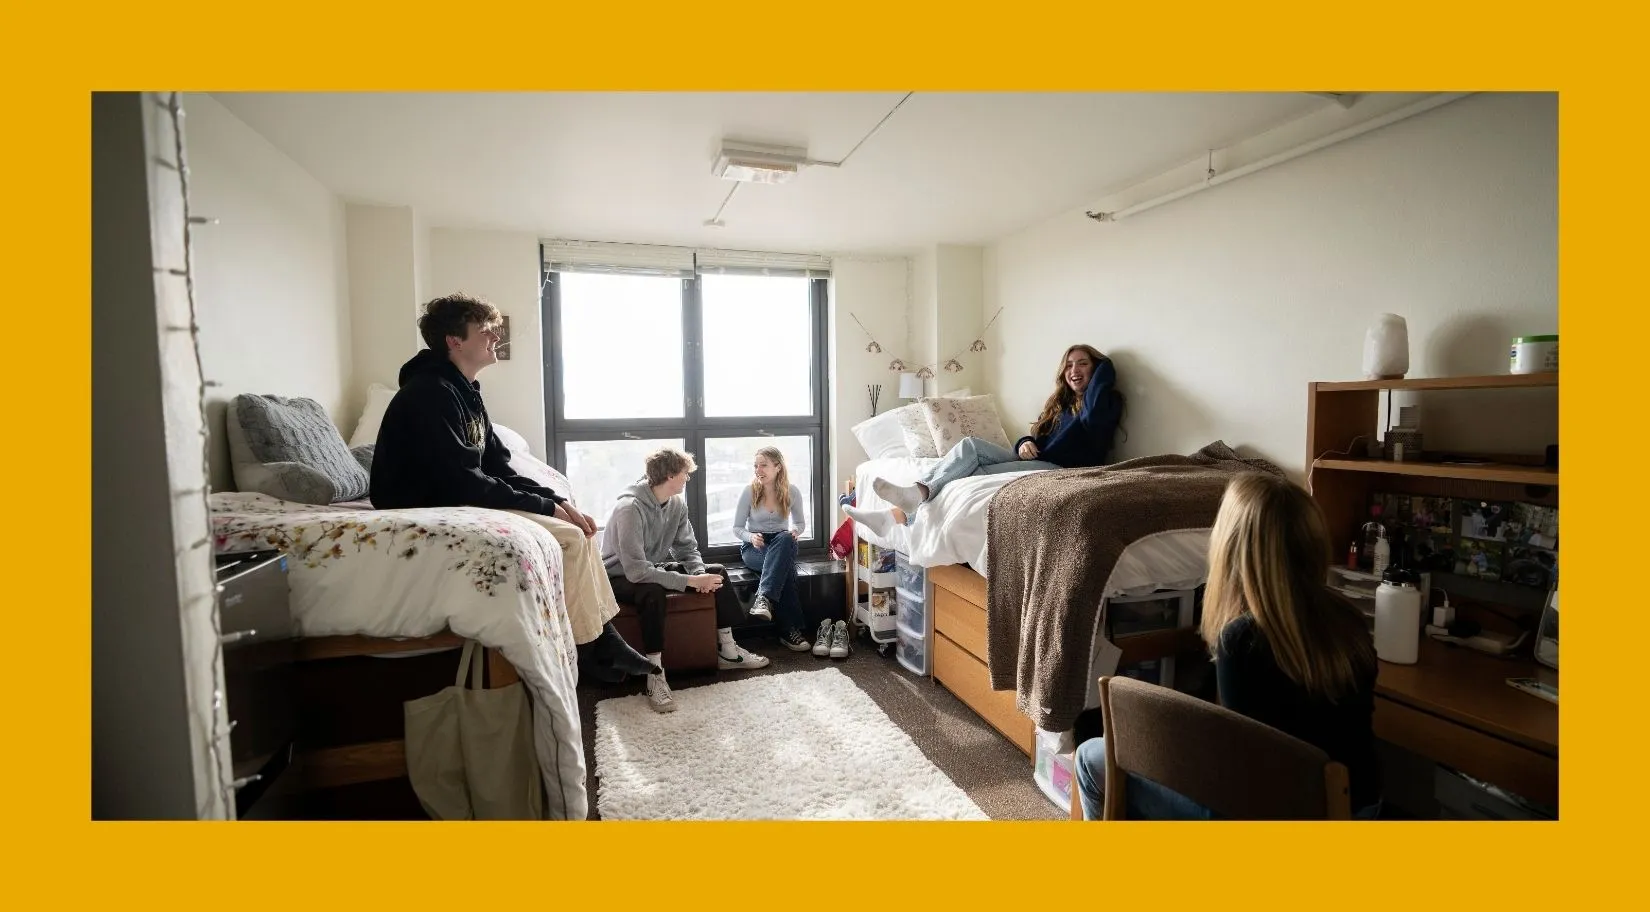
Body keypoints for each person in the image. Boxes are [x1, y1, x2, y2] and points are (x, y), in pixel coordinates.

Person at [370, 292, 658, 683]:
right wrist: (547, 509)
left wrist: (555, 501)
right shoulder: (429, 393)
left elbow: (496, 466)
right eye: (484, 330)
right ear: (455, 341)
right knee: (570, 539)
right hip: (426, 503)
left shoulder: (466, 391)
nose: (494, 336)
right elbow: (462, 481)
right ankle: (596, 647)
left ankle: (602, 641)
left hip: (454, 494)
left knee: (581, 529)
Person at [1073, 472, 1383, 820]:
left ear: (1234, 549)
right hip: (1355, 812)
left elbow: (1235, 778)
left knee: (1089, 757)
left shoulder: (1242, 640)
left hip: (1269, 816)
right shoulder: (1349, 620)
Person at [843, 344, 1125, 539]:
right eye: (1069, 365)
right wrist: (1023, 444)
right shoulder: (1059, 404)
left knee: (972, 474)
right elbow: (1034, 436)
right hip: (1038, 460)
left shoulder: (1102, 404)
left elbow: (1096, 400)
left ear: (1097, 369)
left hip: (1060, 470)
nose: (1074, 370)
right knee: (970, 447)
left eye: (1083, 364)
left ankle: (895, 516)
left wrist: (1103, 366)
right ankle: (914, 496)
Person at [601, 447, 773, 713]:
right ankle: (654, 673)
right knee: (652, 591)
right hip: (618, 576)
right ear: (670, 475)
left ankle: (728, 651)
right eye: (684, 474)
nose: (687, 479)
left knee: (716, 572)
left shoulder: (677, 504)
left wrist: (698, 574)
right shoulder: (629, 509)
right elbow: (636, 572)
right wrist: (689, 583)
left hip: (652, 568)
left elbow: (687, 548)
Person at [732, 447, 835, 657]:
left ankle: (764, 598)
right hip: (755, 547)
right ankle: (789, 630)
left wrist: (795, 532)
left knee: (785, 537)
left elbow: (799, 523)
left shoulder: (792, 491)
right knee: (785, 572)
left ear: (777, 467)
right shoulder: (749, 491)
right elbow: (737, 528)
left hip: (783, 543)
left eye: (763, 465)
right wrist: (750, 537)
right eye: (755, 465)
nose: (758, 470)